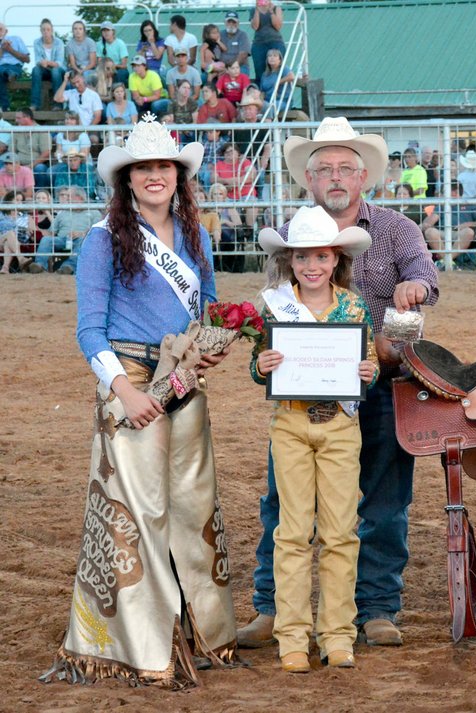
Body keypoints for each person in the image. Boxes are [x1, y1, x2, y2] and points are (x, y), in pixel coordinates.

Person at [38, 115, 239, 688]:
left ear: (179, 175)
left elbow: (210, 304)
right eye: (144, 168)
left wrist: (213, 344)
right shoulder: (102, 240)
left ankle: (201, 634)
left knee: (193, 504)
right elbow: (88, 331)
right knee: (138, 513)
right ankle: (141, 647)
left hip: (183, 379)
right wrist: (124, 393)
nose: (155, 176)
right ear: (127, 179)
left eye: (164, 167)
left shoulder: (194, 235)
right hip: (129, 380)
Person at [236, 116, 439, 650]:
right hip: (303, 389)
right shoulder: (294, 240)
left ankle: (375, 607)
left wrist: (413, 286)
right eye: (323, 167)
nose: (335, 176)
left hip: (380, 380)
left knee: (383, 501)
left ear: (364, 175)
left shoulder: (398, 230)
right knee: (283, 502)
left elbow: (425, 275)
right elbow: (273, 311)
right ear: (309, 178)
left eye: (345, 167)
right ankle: (274, 607)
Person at [253, 205, 379, 672]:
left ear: (335, 260)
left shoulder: (354, 306)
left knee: (341, 532)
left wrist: (370, 370)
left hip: (341, 426)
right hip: (290, 422)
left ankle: (338, 635)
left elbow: (367, 363)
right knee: (291, 533)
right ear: (290, 261)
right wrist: (261, 366)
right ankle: (291, 637)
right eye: (303, 257)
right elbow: (257, 363)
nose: (312, 266)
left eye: (321, 257)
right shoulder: (275, 304)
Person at [28, 185, 101, 274]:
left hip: (81, 239)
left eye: (69, 196)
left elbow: (97, 231)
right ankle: (39, 265)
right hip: (63, 240)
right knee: (46, 240)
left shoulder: (94, 212)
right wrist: (35, 229)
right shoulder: (63, 212)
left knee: (83, 241)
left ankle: (68, 267)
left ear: (79, 197)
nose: (66, 199)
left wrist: (82, 234)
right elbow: (51, 232)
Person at [12, 108, 52, 190]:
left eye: (18, 118)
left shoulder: (42, 130)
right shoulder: (16, 130)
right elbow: (12, 150)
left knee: (40, 169)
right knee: (3, 166)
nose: (16, 121)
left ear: (27, 118)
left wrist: (30, 166)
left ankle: (40, 194)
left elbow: (46, 152)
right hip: (18, 164)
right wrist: (15, 164)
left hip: (36, 164)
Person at [31, 19, 66, 112]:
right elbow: (37, 60)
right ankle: (35, 104)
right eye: (43, 30)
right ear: (40, 31)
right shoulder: (37, 42)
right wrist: (41, 63)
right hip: (44, 69)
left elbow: (59, 62)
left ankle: (57, 104)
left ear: (52, 30)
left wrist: (48, 62)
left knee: (55, 71)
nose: (46, 32)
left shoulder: (59, 42)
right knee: (35, 70)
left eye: (48, 29)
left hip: (58, 70)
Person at [250, 0, 286, 82]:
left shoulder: (277, 8)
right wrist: (257, 10)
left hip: (276, 41)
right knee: (259, 70)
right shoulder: (253, 10)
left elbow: (278, 26)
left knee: (278, 68)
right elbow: (255, 26)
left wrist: (271, 12)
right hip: (259, 43)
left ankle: (278, 91)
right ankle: (261, 92)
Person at [0, 23, 30, 112]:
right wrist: (2, 49)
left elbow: (27, 59)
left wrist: (10, 50)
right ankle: (8, 73)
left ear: (6, 31)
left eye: (0, 29)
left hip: (15, 66)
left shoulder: (16, 39)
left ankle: (5, 107)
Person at [0, 190, 32, 273]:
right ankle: (21, 258)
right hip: (1, 239)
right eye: (17, 200)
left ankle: (5, 268)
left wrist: (29, 229)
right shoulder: (1, 214)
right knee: (10, 234)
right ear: (9, 200)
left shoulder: (26, 217)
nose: (19, 202)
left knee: (8, 243)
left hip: (19, 241)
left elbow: (34, 231)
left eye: (21, 201)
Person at [260, 47, 294, 117]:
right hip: (268, 101)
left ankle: (269, 126)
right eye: (269, 56)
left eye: (275, 56)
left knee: (270, 107)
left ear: (279, 60)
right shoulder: (265, 74)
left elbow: (291, 76)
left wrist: (278, 82)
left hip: (282, 101)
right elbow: (262, 91)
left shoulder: (283, 69)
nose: (272, 58)